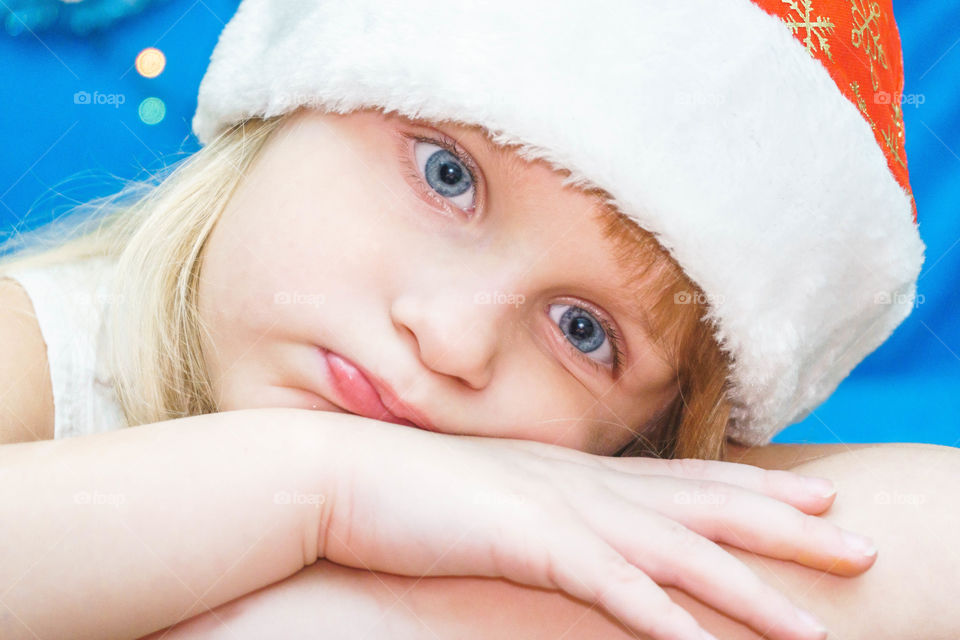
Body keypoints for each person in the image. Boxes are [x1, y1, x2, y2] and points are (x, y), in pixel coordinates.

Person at [0, 1, 954, 639]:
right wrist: (330, 488)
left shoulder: (583, 494)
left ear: (649, 439)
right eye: (446, 174)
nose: (453, 340)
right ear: (280, 111)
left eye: (584, 332)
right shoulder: (44, 349)